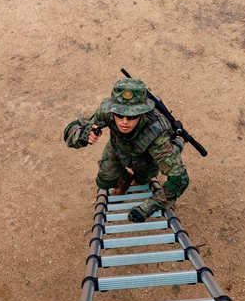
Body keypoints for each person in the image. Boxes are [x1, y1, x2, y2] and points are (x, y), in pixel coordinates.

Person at [63, 78, 189, 223]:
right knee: (105, 180)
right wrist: (82, 135)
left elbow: (179, 178)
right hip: (118, 148)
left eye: (132, 116)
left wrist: (150, 206)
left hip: (147, 158)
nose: (124, 121)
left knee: (142, 181)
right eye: (119, 114)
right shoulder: (107, 112)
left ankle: (173, 148)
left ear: (142, 112)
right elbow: (71, 129)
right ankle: (125, 180)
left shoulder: (156, 133)